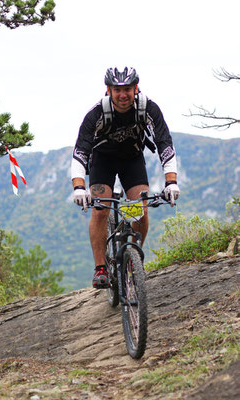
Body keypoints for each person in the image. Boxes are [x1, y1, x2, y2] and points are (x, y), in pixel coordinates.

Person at [71, 67, 180, 289]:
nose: (123, 95)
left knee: (141, 209)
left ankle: (133, 259)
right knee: (100, 210)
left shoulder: (147, 108)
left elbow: (164, 144)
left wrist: (171, 182)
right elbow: (81, 151)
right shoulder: (97, 114)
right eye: (117, 89)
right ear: (108, 90)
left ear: (135, 88)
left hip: (132, 159)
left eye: (127, 89)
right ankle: (101, 268)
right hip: (103, 160)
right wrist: (79, 187)